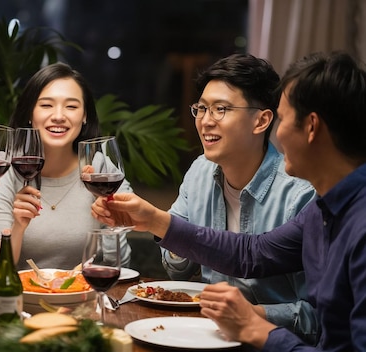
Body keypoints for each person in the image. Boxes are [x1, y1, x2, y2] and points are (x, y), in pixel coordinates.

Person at [92, 51, 366, 351]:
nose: (280, 133)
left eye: (284, 119)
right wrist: (154, 220)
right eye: (202, 109)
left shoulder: (345, 215)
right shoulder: (323, 210)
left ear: (311, 127)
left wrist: (255, 326)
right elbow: (252, 254)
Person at [160, 54, 318, 343]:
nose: (206, 121)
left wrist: (252, 316)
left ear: (262, 121)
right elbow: (175, 268)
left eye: (221, 109)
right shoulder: (199, 172)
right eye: (201, 109)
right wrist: (172, 239)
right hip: (204, 335)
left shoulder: (301, 195)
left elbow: (316, 317)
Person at [0, 62, 132, 272]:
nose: (59, 116)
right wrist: (18, 227)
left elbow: (119, 265)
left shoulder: (100, 169)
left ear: (85, 115)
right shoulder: (6, 168)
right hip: (21, 299)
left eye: (71, 106)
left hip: (84, 298)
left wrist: (109, 212)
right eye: (46, 105)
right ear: (30, 113)